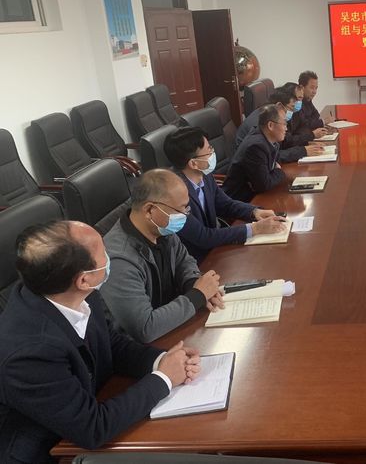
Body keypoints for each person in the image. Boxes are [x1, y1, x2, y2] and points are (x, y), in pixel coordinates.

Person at [0, 221, 199, 462]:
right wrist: (164, 378)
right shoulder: (28, 354)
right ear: (83, 280)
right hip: (49, 450)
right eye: (103, 251)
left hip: (94, 401)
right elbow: (92, 428)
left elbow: (112, 344)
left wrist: (161, 360)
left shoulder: (76, 293)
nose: (109, 254)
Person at [102, 169, 224, 343]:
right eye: (180, 209)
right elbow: (145, 328)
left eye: (186, 207)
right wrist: (197, 295)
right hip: (141, 347)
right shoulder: (118, 260)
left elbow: (184, 261)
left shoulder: (160, 228)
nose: (185, 215)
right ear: (149, 210)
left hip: (172, 327)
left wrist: (194, 283)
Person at [163, 127, 287, 262]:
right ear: (193, 163)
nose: (213, 153)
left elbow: (225, 204)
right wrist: (255, 228)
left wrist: (254, 211)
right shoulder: (174, 195)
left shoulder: (204, 175)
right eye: (209, 150)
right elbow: (203, 237)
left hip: (216, 248)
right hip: (197, 261)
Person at [235, 87, 324, 161]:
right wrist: (302, 151)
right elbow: (273, 156)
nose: (292, 112)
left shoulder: (269, 114)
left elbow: (283, 144)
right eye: (291, 108)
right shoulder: (262, 122)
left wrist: (305, 146)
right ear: (279, 105)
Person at [223, 103, 288, 202]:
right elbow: (264, 185)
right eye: (284, 124)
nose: (286, 128)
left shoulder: (270, 140)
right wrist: (279, 172)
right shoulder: (256, 146)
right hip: (240, 201)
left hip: (255, 196)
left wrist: (274, 172)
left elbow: (275, 164)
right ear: (270, 125)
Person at [298, 70, 330, 139]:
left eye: (316, 88)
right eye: (312, 88)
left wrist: (315, 122)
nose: (314, 92)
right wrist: (323, 121)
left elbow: (316, 115)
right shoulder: (297, 103)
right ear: (302, 88)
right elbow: (305, 125)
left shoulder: (307, 100)